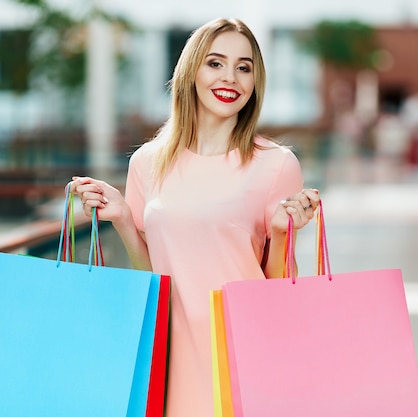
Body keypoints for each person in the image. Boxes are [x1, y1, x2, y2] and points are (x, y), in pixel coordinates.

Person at [71, 17, 320, 416]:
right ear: (191, 71)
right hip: (169, 355)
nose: (231, 78)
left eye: (244, 67)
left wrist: (281, 232)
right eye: (215, 63)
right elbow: (151, 276)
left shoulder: (276, 165)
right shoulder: (147, 163)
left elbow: (279, 288)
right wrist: (120, 218)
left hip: (241, 354)